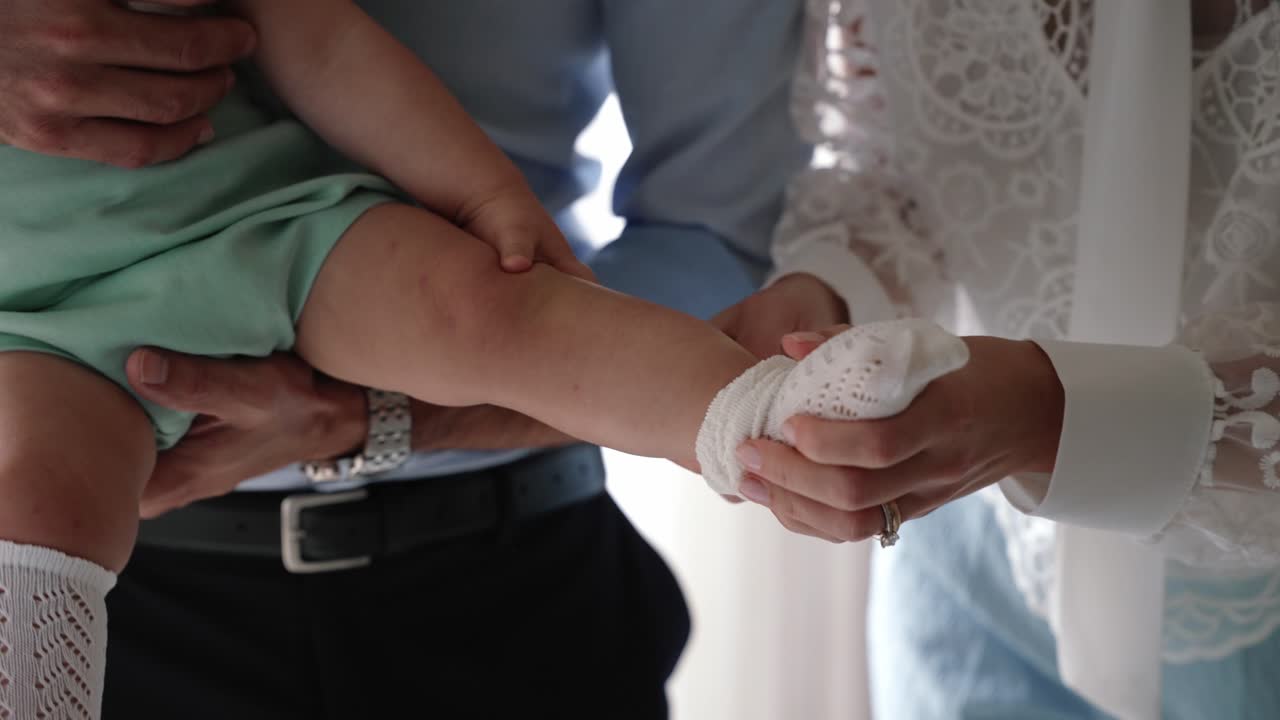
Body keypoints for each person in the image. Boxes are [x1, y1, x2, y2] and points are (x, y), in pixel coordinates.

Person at [0, 1, 852, 718]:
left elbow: (323, 44)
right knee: (35, 504)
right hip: (52, 342)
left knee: (491, 301)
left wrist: (483, 197)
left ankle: (767, 423)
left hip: (271, 237)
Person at [729, 1, 1280, 718]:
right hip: (966, 546)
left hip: (1249, 591)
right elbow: (889, 162)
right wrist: (829, 291)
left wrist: (1054, 415)